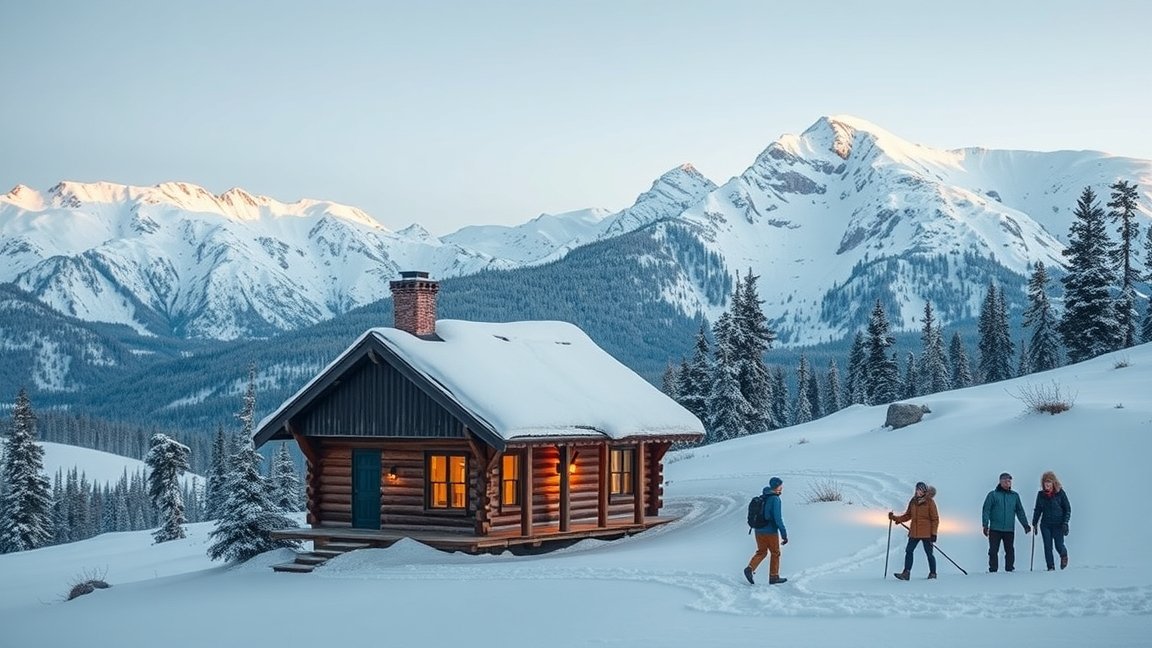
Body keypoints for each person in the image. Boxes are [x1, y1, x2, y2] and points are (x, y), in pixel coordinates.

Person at [888, 481, 939, 580]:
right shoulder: (913, 501)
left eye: (920, 489)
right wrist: (896, 518)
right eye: (916, 489)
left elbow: (935, 519)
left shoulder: (930, 502)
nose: (917, 491)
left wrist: (934, 534)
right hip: (914, 532)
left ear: (924, 491)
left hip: (926, 533)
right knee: (909, 551)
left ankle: (933, 573)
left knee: (929, 553)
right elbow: (908, 515)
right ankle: (906, 573)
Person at [982, 472, 1031, 572]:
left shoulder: (1014, 496)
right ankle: (993, 570)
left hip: (1009, 529)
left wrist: (1025, 524)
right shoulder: (993, 495)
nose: (1007, 483)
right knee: (993, 551)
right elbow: (986, 510)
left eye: (1009, 481)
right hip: (995, 528)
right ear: (1000, 482)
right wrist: (985, 524)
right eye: (1005, 481)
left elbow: (1019, 511)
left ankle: (1009, 570)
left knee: (1009, 550)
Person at [744, 476, 788, 585]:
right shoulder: (775, 499)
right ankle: (774, 577)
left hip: (758, 530)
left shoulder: (763, 497)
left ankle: (750, 568)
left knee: (762, 551)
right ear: (777, 486)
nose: (782, 487)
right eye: (780, 485)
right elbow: (778, 518)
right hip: (770, 531)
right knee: (775, 552)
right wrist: (784, 534)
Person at [1031, 470, 1072, 571]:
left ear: (1053, 483)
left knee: (1059, 545)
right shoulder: (1040, 495)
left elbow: (1067, 509)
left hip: (1058, 524)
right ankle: (1050, 567)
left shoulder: (1060, 493)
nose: (1047, 485)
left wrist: (1065, 523)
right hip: (1045, 524)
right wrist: (1034, 522)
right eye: (1045, 483)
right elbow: (1038, 509)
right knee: (1047, 546)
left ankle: (1064, 555)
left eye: (1049, 482)